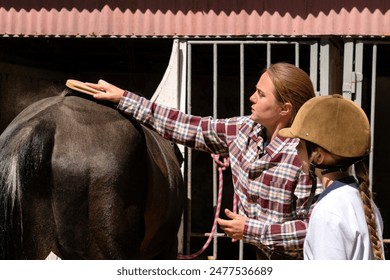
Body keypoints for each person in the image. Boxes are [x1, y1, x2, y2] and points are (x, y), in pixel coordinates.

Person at [84, 62, 322, 259]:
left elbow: (314, 229)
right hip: (260, 257)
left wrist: (251, 229)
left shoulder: (307, 158)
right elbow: (189, 126)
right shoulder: (243, 131)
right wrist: (124, 98)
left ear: (285, 109)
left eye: (261, 94)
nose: (251, 97)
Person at [279, 94, 384, 260]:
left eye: (300, 144)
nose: (296, 149)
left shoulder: (328, 212)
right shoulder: (364, 202)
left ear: (318, 157)